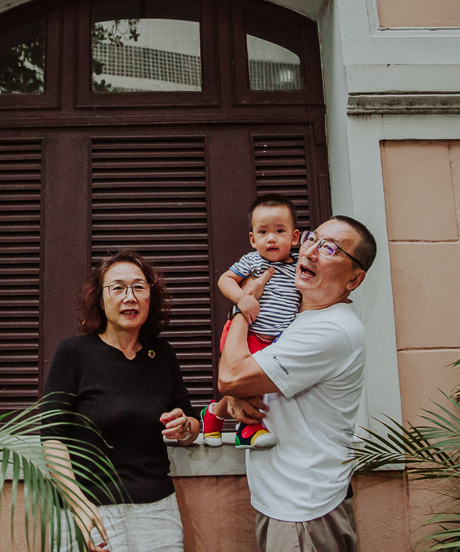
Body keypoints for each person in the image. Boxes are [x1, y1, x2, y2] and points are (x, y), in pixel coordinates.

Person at [218, 216, 377, 552]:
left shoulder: (332, 331)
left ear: (355, 278)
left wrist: (241, 307)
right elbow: (241, 382)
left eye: (330, 248)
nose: (311, 252)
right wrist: (236, 394)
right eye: (312, 238)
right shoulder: (298, 320)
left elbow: (231, 376)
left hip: (304, 510)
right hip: (286, 501)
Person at [41, 251, 200, 552]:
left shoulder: (162, 354)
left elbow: (192, 424)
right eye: (117, 288)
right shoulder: (74, 353)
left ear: (151, 297)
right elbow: (52, 437)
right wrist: (79, 504)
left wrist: (185, 427)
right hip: (91, 505)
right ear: (100, 300)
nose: (130, 297)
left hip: (157, 511)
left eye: (139, 287)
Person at [201, 194, 302, 449]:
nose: (271, 238)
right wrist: (241, 299)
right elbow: (225, 279)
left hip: (277, 340)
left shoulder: (300, 266)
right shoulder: (253, 261)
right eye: (263, 232)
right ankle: (247, 430)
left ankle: (213, 414)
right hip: (248, 334)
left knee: (248, 387)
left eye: (280, 231)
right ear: (252, 238)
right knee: (249, 382)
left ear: (294, 237)